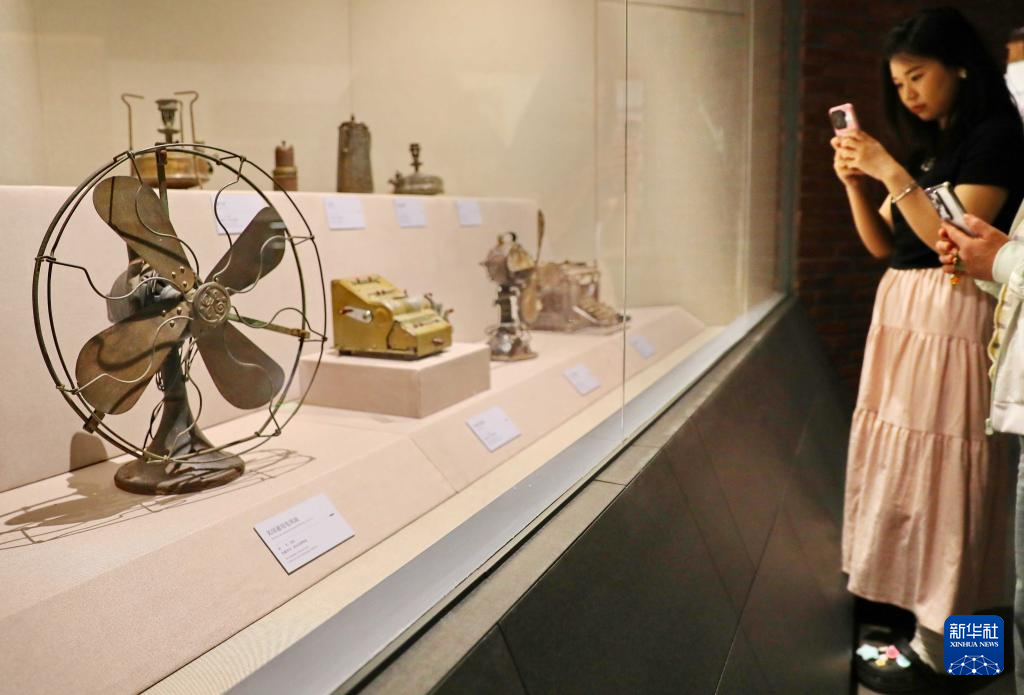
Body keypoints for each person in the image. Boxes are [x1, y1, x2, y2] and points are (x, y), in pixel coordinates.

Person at [832, 7, 1024, 690]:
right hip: (907, 324)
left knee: (957, 487)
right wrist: (858, 183)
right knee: (916, 481)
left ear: (960, 67)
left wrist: (890, 171)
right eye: (898, 83)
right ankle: (930, 643)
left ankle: (964, 661)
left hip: (954, 321)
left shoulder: (997, 138)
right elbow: (884, 244)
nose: (908, 92)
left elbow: (955, 238)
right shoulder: (931, 146)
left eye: (917, 75)